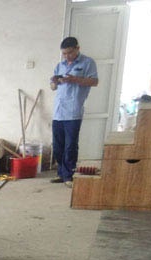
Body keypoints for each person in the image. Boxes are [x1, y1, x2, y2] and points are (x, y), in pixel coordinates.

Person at [50, 37, 98, 187]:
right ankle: (61, 173)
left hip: (73, 111)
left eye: (70, 53)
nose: (67, 56)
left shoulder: (87, 63)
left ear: (77, 48)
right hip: (58, 111)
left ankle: (69, 175)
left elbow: (94, 81)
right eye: (64, 53)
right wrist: (55, 81)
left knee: (70, 145)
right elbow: (52, 87)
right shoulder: (60, 65)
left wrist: (75, 79)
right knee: (57, 146)